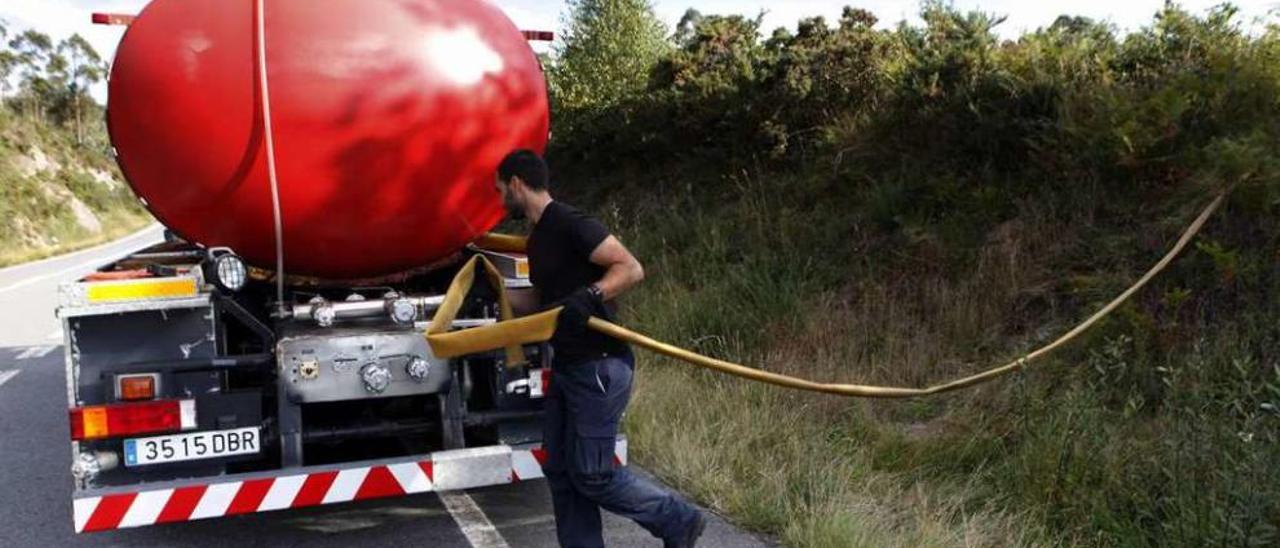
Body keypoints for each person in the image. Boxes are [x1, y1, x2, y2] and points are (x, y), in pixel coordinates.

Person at [495, 150, 706, 548]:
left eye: (500, 190)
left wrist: (590, 295)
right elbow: (542, 299)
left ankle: (678, 520)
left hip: (600, 366)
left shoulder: (571, 223)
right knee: (559, 468)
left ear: (517, 184)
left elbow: (630, 268)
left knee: (593, 473)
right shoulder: (538, 239)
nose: (500, 199)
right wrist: (493, 289)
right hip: (568, 366)